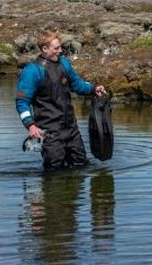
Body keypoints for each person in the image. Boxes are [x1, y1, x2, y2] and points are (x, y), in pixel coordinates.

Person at [15, 29, 107, 170]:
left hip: (71, 128)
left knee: (80, 164)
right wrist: (30, 125)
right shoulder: (32, 71)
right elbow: (22, 102)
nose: (60, 51)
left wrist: (94, 89)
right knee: (54, 170)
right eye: (56, 48)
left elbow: (77, 84)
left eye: (60, 47)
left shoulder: (63, 63)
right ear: (45, 49)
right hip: (49, 132)